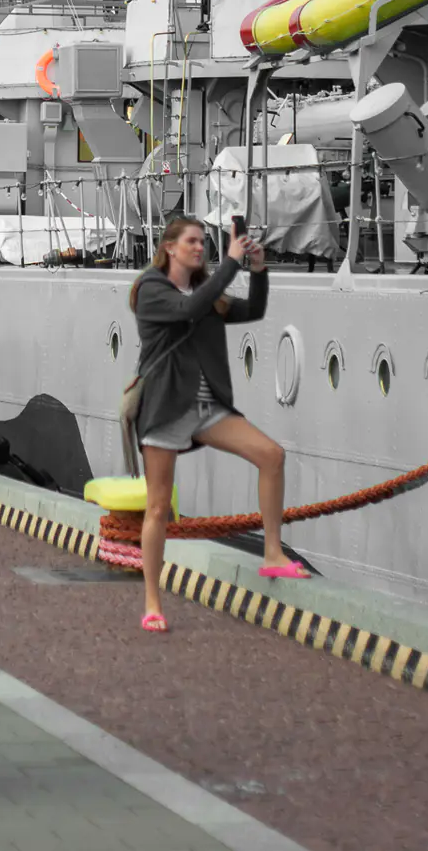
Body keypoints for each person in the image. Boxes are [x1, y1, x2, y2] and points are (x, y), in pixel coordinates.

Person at [130, 216, 304, 632]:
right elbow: (187, 309)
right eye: (190, 241)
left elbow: (253, 310)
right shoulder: (151, 289)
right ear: (169, 248)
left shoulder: (205, 293)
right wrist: (231, 262)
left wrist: (258, 269)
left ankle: (273, 554)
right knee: (158, 507)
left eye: (201, 242)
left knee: (271, 456)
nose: (198, 247)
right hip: (167, 407)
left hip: (208, 408)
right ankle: (152, 602)